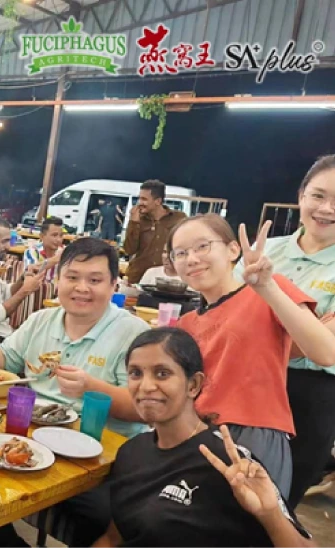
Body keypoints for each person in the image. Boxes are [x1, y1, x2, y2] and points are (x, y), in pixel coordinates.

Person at [91, 327, 313, 548]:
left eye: (162, 373)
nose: (146, 386)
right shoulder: (131, 452)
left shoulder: (230, 464)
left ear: (194, 385)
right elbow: (113, 539)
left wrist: (270, 515)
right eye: (135, 373)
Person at [168, 213, 335, 497]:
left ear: (233, 250)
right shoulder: (185, 324)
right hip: (198, 433)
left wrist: (267, 287)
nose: (192, 259)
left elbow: (326, 352)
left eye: (202, 246)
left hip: (254, 435)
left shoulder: (269, 290)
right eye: (180, 253)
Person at [235, 155, 335, 507]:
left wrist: (263, 305)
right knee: (222, 494)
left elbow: (325, 349)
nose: (326, 208)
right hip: (242, 383)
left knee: (274, 507)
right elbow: (226, 319)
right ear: (301, 196)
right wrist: (309, 326)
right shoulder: (266, 251)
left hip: (308, 400)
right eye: (318, 195)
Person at [0, 238, 149, 438]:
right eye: (72, 277)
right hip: (34, 430)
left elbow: (143, 408)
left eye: (94, 280)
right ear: (58, 280)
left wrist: (90, 388)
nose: (81, 288)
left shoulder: (135, 333)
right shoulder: (40, 320)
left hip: (101, 441)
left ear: (113, 285)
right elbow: (0, 369)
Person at [123, 180, 187, 284]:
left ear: (158, 201)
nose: (140, 203)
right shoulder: (138, 219)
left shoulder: (179, 218)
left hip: (166, 279)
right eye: (139, 198)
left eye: (144, 199)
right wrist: (134, 223)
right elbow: (129, 250)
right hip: (138, 278)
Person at [22, 216, 64, 282]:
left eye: (61, 235)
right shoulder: (32, 251)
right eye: (54, 235)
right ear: (41, 236)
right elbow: (32, 271)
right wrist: (57, 258)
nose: (59, 240)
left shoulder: (64, 251)